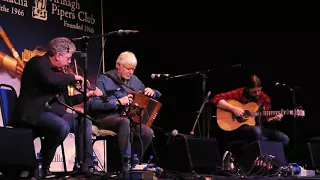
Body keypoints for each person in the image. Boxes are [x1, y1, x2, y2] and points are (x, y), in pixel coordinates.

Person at [15, 37, 103, 177]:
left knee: (84, 120)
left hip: (52, 113)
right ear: (58, 55)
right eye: (68, 58)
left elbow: (67, 99)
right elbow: (51, 80)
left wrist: (89, 94)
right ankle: (43, 165)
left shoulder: (58, 73)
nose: (69, 62)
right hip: (33, 113)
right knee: (61, 126)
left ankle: (84, 166)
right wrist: (73, 77)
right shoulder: (37, 63)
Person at [88, 51, 161, 163]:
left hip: (128, 119)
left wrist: (153, 92)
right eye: (128, 69)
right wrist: (117, 102)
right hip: (105, 118)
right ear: (118, 65)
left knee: (147, 132)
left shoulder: (135, 81)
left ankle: (135, 164)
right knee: (124, 122)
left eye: (133, 69)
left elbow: (155, 94)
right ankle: (125, 164)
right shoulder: (105, 79)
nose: (131, 72)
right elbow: (94, 105)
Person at [212, 74, 289, 153]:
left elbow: (267, 120)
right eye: (254, 92)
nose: (257, 93)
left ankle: (267, 157)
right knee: (256, 130)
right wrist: (233, 109)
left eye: (259, 90)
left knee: (284, 139)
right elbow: (216, 99)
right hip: (239, 128)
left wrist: (274, 119)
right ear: (247, 89)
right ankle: (260, 156)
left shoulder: (265, 98)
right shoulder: (240, 93)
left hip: (260, 129)